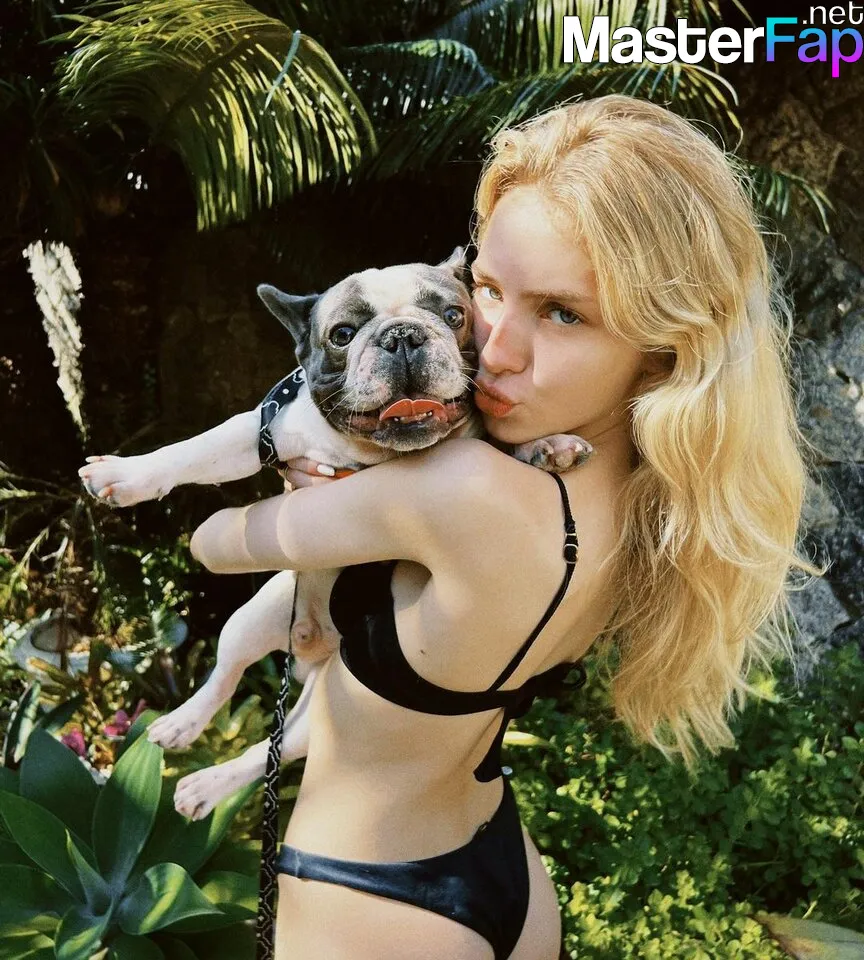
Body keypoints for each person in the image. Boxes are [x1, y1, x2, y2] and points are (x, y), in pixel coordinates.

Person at [188, 94, 822, 960]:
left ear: (663, 345)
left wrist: (307, 449)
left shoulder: (453, 487)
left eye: (562, 313)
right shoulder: (656, 499)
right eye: (486, 289)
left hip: (368, 903)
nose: (494, 350)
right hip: (506, 869)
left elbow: (217, 543)